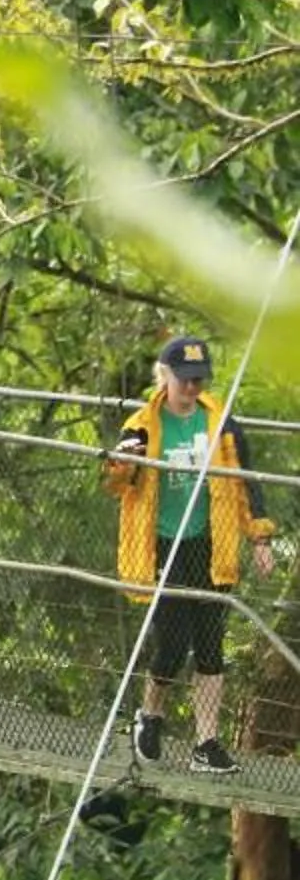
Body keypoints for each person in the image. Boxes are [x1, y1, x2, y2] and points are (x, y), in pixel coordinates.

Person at [107, 331, 278, 774]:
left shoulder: (221, 421)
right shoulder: (143, 424)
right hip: (162, 544)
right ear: (164, 376)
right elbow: (114, 485)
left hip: (210, 544)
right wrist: (123, 463)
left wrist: (259, 538)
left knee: (209, 645)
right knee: (172, 643)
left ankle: (207, 743)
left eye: (199, 380)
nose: (191, 389)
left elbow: (246, 482)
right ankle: (152, 714)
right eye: (183, 380)